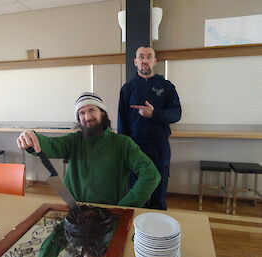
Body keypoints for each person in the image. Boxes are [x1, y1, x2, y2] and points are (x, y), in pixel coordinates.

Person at [17, 92, 161, 208]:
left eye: (92, 110)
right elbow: (50, 145)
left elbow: (151, 174)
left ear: (103, 113)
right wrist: (31, 137)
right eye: (81, 113)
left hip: (110, 213)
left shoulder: (123, 144)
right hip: (76, 210)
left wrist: (125, 207)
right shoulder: (73, 141)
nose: (87, 117)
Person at [117, 46, 181, 210]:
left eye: (149, 57)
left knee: (159, 192)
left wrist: (155, 114)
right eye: (141, 57)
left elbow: (176, 114)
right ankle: (135, 232)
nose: (145, 60)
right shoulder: (127, 89)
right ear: (135, 61)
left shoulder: (167, 87)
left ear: (155, 61)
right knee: (135, 192)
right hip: (135, 147)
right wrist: (124, 151)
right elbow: (122, 123)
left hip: (159, 146)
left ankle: (158, 232)